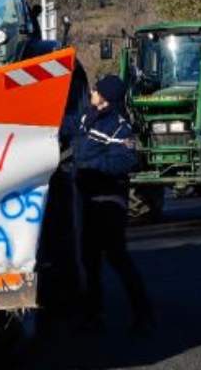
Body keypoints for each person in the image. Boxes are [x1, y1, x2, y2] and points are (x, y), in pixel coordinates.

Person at [69, 75, 154, 332]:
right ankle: (95, 316)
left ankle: (144, 314)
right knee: (89, 259)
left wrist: (87, 167)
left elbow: (122, 161)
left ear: (104, 97)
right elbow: (68, 126)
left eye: (95, 90)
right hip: (89, 199)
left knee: (118, 258)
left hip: (109, 202)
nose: (91, 92)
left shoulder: (120, 128)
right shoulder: (88, 116)